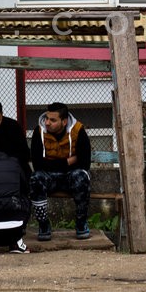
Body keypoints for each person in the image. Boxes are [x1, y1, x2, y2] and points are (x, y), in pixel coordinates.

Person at [29, 102, 92, 241]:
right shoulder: (39, 132)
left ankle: (81, 223)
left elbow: (84, 163)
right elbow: (38, 164)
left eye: (52, 120)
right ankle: (43, 225)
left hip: (70, 177)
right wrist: (68, 162)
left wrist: (50, 164)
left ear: (64, 121)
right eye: (46, 118)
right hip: (49, 178)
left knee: (81, 176)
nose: (47, 123)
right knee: (36, 178)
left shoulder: (78, 131)